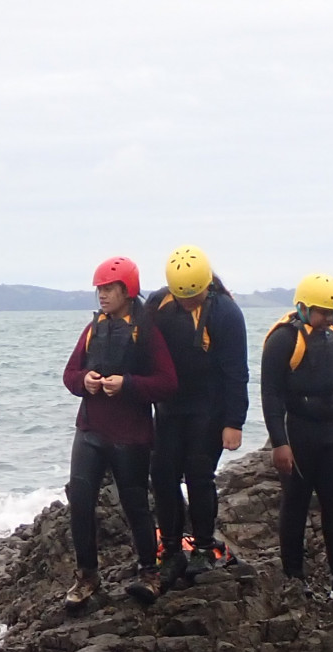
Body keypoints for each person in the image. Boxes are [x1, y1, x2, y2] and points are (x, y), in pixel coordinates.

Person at [61, 256, 179, 611]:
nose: (102, 295)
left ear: (127, 291)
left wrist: (127, 384)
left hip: (131, 436)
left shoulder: (147, 329)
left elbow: (168, 383)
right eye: (99, 289)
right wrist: (86, 381)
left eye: (109, 289)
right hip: (91, 431)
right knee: (80, 501)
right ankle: (87, 577)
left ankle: (149, 573)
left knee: (136, 505)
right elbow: (69, 375)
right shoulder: (93, 328)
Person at [260, 274, 333, 601]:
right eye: (322, 312)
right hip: (298, 431)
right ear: (302, 307)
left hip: (330, 432)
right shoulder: (283, 340)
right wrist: (279, 442)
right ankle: (293, 576)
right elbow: (269, 394)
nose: (328, 318)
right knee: (295, 504)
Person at [146, 245, 249, 570]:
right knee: (162, 475)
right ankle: (172, 547)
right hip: (169, 407)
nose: (186, 301)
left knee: (198, 475)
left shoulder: (226, 313)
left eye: (193, 295)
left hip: (209, 408)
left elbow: (237, 372)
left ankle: (204, 547)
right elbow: (140, 345)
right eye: (181, 295)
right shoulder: (159, 303)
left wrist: (234, 422)